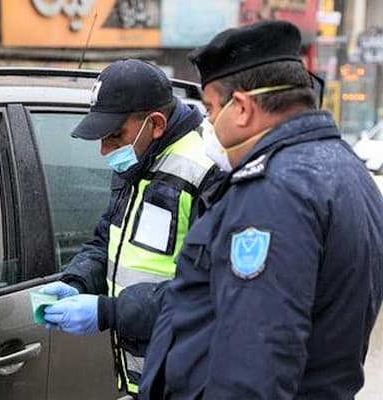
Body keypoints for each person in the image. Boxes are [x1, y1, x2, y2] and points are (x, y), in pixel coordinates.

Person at [140, 20, 383, 400]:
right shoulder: (345, 168)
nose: (207, 123)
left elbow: (255, 362)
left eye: (210, 108)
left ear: (241, 108)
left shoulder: (272, 192)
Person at [40, 59, 220, 395]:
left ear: (155, 123)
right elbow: (107, 239)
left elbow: (207, 291)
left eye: (114, 135)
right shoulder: (136, 160)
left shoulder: (205, 172)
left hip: (188, 379)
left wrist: (109, 311)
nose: (105, 149)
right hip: (141, 377)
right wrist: (78, 282)